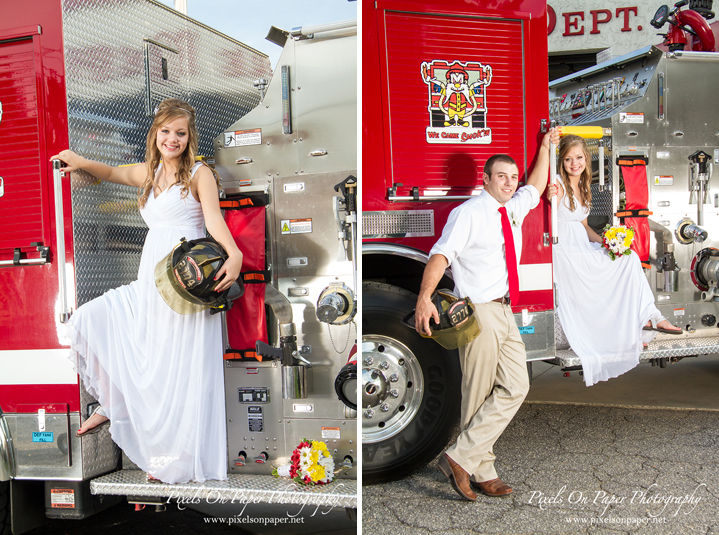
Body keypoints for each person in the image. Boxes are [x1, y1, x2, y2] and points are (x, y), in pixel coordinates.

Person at [51, 98, 242, 484]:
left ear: (190, 138)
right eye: (166, 131)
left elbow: (214, 222)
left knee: (181, 373)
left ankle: (175, 461)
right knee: (91, 321)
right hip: (151, 282)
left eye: (180, 133)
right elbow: (108, 171)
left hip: (184, 282)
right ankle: (113, 402)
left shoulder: (199, 173)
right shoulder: (148, 173)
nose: (172, 139)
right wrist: (79, 159)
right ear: (155, 134)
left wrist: (234, 253)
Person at [414, 128, 558, 501]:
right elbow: (440, 256)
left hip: (506, 310)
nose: (510, 183)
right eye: (502, 177)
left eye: (513, 177)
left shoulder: (511, 206)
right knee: (477, 394)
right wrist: (425, 297)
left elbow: (537, 184)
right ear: (486, 179)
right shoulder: (469, 214)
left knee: (517, 386)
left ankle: (461, 457)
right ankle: (482, 469)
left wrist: (544, 148)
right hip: (478, 311)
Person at [547, 134, 681, 387]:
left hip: (581, 245)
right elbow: (547, 214)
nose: (574, 163)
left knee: (627, 257)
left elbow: (583, 225)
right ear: (561, 161)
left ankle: (648, 318)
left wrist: (605, 243)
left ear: (586, 158)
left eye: (578, 157)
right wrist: (547, 193)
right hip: (563, 251)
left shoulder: (583, 186)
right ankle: (636, 326)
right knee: (619, 264)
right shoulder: (556, 184)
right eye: (567, 159)